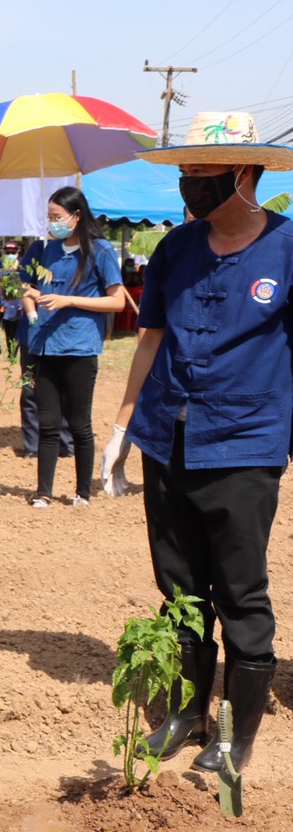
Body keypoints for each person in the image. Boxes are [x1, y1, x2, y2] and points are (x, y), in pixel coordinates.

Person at [102, 110, 293, 775]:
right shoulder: (174, 251)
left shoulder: (287, 251)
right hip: (168, 437)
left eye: (202, 174)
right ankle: (186, 713)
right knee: (179, 589)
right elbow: (150, 338)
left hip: (245, 442)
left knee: (240, 590)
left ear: (246, 174)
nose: (189, 186)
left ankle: (235, 734)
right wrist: (124, 426)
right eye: (184, 173)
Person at [20, 187, 125, 507]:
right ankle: (43, 492)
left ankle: (82, 492)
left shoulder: (100, 251)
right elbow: (26, 286)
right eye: (49, 217)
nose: (52, 223)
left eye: (57, 217)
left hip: (79, 348)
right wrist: (31, 304)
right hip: (43, 346)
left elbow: (117, 301)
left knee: (79, 423)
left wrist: (69, 300)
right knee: (47, 423)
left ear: (77, 217)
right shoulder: (44, 250)